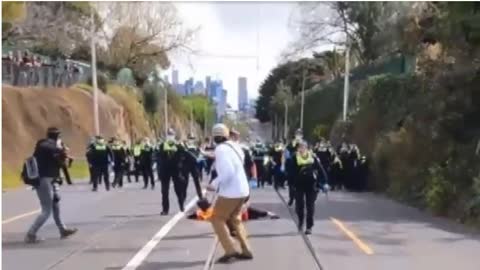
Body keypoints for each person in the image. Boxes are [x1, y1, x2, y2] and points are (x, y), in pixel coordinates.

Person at [207, 123, 253, 264]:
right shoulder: (235, 146)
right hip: (243, 190)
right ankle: (246, 249)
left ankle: (230, 250)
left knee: (217, 218)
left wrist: (213, 184)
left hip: (231, 191)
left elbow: (227, 172)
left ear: (215, 137)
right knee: (235, 218)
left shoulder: (221, 149)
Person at [25, 127, 77, 243]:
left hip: (50, 180)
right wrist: (63, 152)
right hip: (44, 180)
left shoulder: (42, 145)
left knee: (56, 205)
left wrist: (62, 152)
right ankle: (31, 234)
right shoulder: (50, 147)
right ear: (57, 136)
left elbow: (58, 161)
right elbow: (61, 162)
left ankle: (62, 230)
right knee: (47, 210)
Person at [288, 140, 328, 235]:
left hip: (311, 185)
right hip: (299, 185)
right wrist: (291, 184)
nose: (301, 149)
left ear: (306, 148)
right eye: (300, 147)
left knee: (310, 206)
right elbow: (290, 172)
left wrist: (325, 182)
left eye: (303, 147)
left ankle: (309, 226)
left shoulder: (313, 157)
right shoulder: (294, 158)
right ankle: (301, 221)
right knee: (299, 206)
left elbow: (321, 169)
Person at [157, 129, 187, 214]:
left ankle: (181, 205)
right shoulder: (162, 145)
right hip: (165, 170)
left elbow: (183, 157)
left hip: (176, 170)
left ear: (174, 135)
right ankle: (165, 209)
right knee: (164, 191)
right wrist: (159, 172)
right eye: (169, 134)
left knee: (178, 189)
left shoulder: (178, 146)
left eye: (171, 134)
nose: (170, 136)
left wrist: (181, 168)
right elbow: (159, 159)